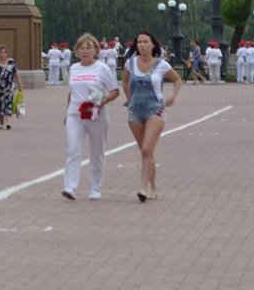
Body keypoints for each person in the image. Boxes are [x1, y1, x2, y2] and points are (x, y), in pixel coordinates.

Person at [121, 31, 180, 202]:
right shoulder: (130, 63)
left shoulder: (161, 65)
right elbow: (125, 81)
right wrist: (129, 98)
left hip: (155, 110)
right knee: (146, 152)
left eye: (146, 41)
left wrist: (172, 97)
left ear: (153, 44)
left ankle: (143, 187)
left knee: (147, 149)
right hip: (135, 110)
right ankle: (153, 185)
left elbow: (177, 79)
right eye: (139, 42)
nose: (142, 45)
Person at [62, 32, 119, 201]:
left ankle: (95, 187)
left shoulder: (102, 69)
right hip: (75, 115)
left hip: (96, 115)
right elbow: (71, 92)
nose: (85, 51)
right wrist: (66, 112)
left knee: (97, 151)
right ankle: (70, 186)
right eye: (81, 48)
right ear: (77, 51)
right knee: (73, 149)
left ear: (96, 50)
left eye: (89, 47)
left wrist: (104, 99)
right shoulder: (74, 68)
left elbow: (115, 91)